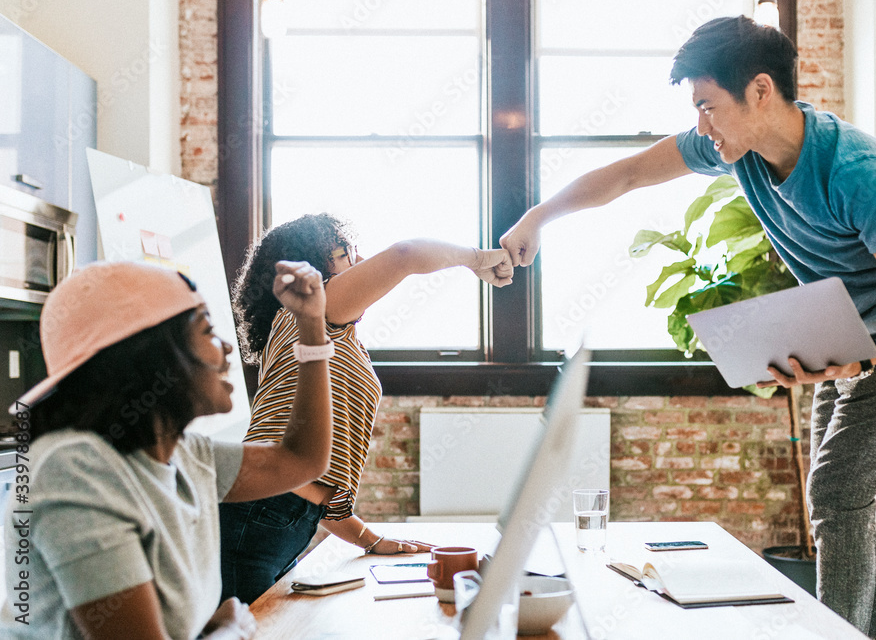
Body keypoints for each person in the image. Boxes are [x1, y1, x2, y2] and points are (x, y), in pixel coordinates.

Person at [500, 15, 876, 639]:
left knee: (836, 493)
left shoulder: (858, 173)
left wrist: (859, 362)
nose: (701, 125)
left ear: (761, 91)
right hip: (844, 327)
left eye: (708, 106)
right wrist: (536, 217)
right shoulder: (734, 147)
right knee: (843, 499)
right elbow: (630, 173)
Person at [1, 259, 333, 639]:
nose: (226, 347)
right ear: (152, 356)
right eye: (207, 330)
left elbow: (301, 460)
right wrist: (229, 630)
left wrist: (311, 326)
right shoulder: (75, 470)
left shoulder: (186, 454)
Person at [219, 213, 514, 604]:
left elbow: (324, 481)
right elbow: (405, 255)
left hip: (283, 515)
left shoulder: (330, 334)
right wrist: (477, 258)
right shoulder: (308, 311)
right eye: (343, 255)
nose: (358, 264)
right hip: (259, 511)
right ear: (311, 269)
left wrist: (372, 540)